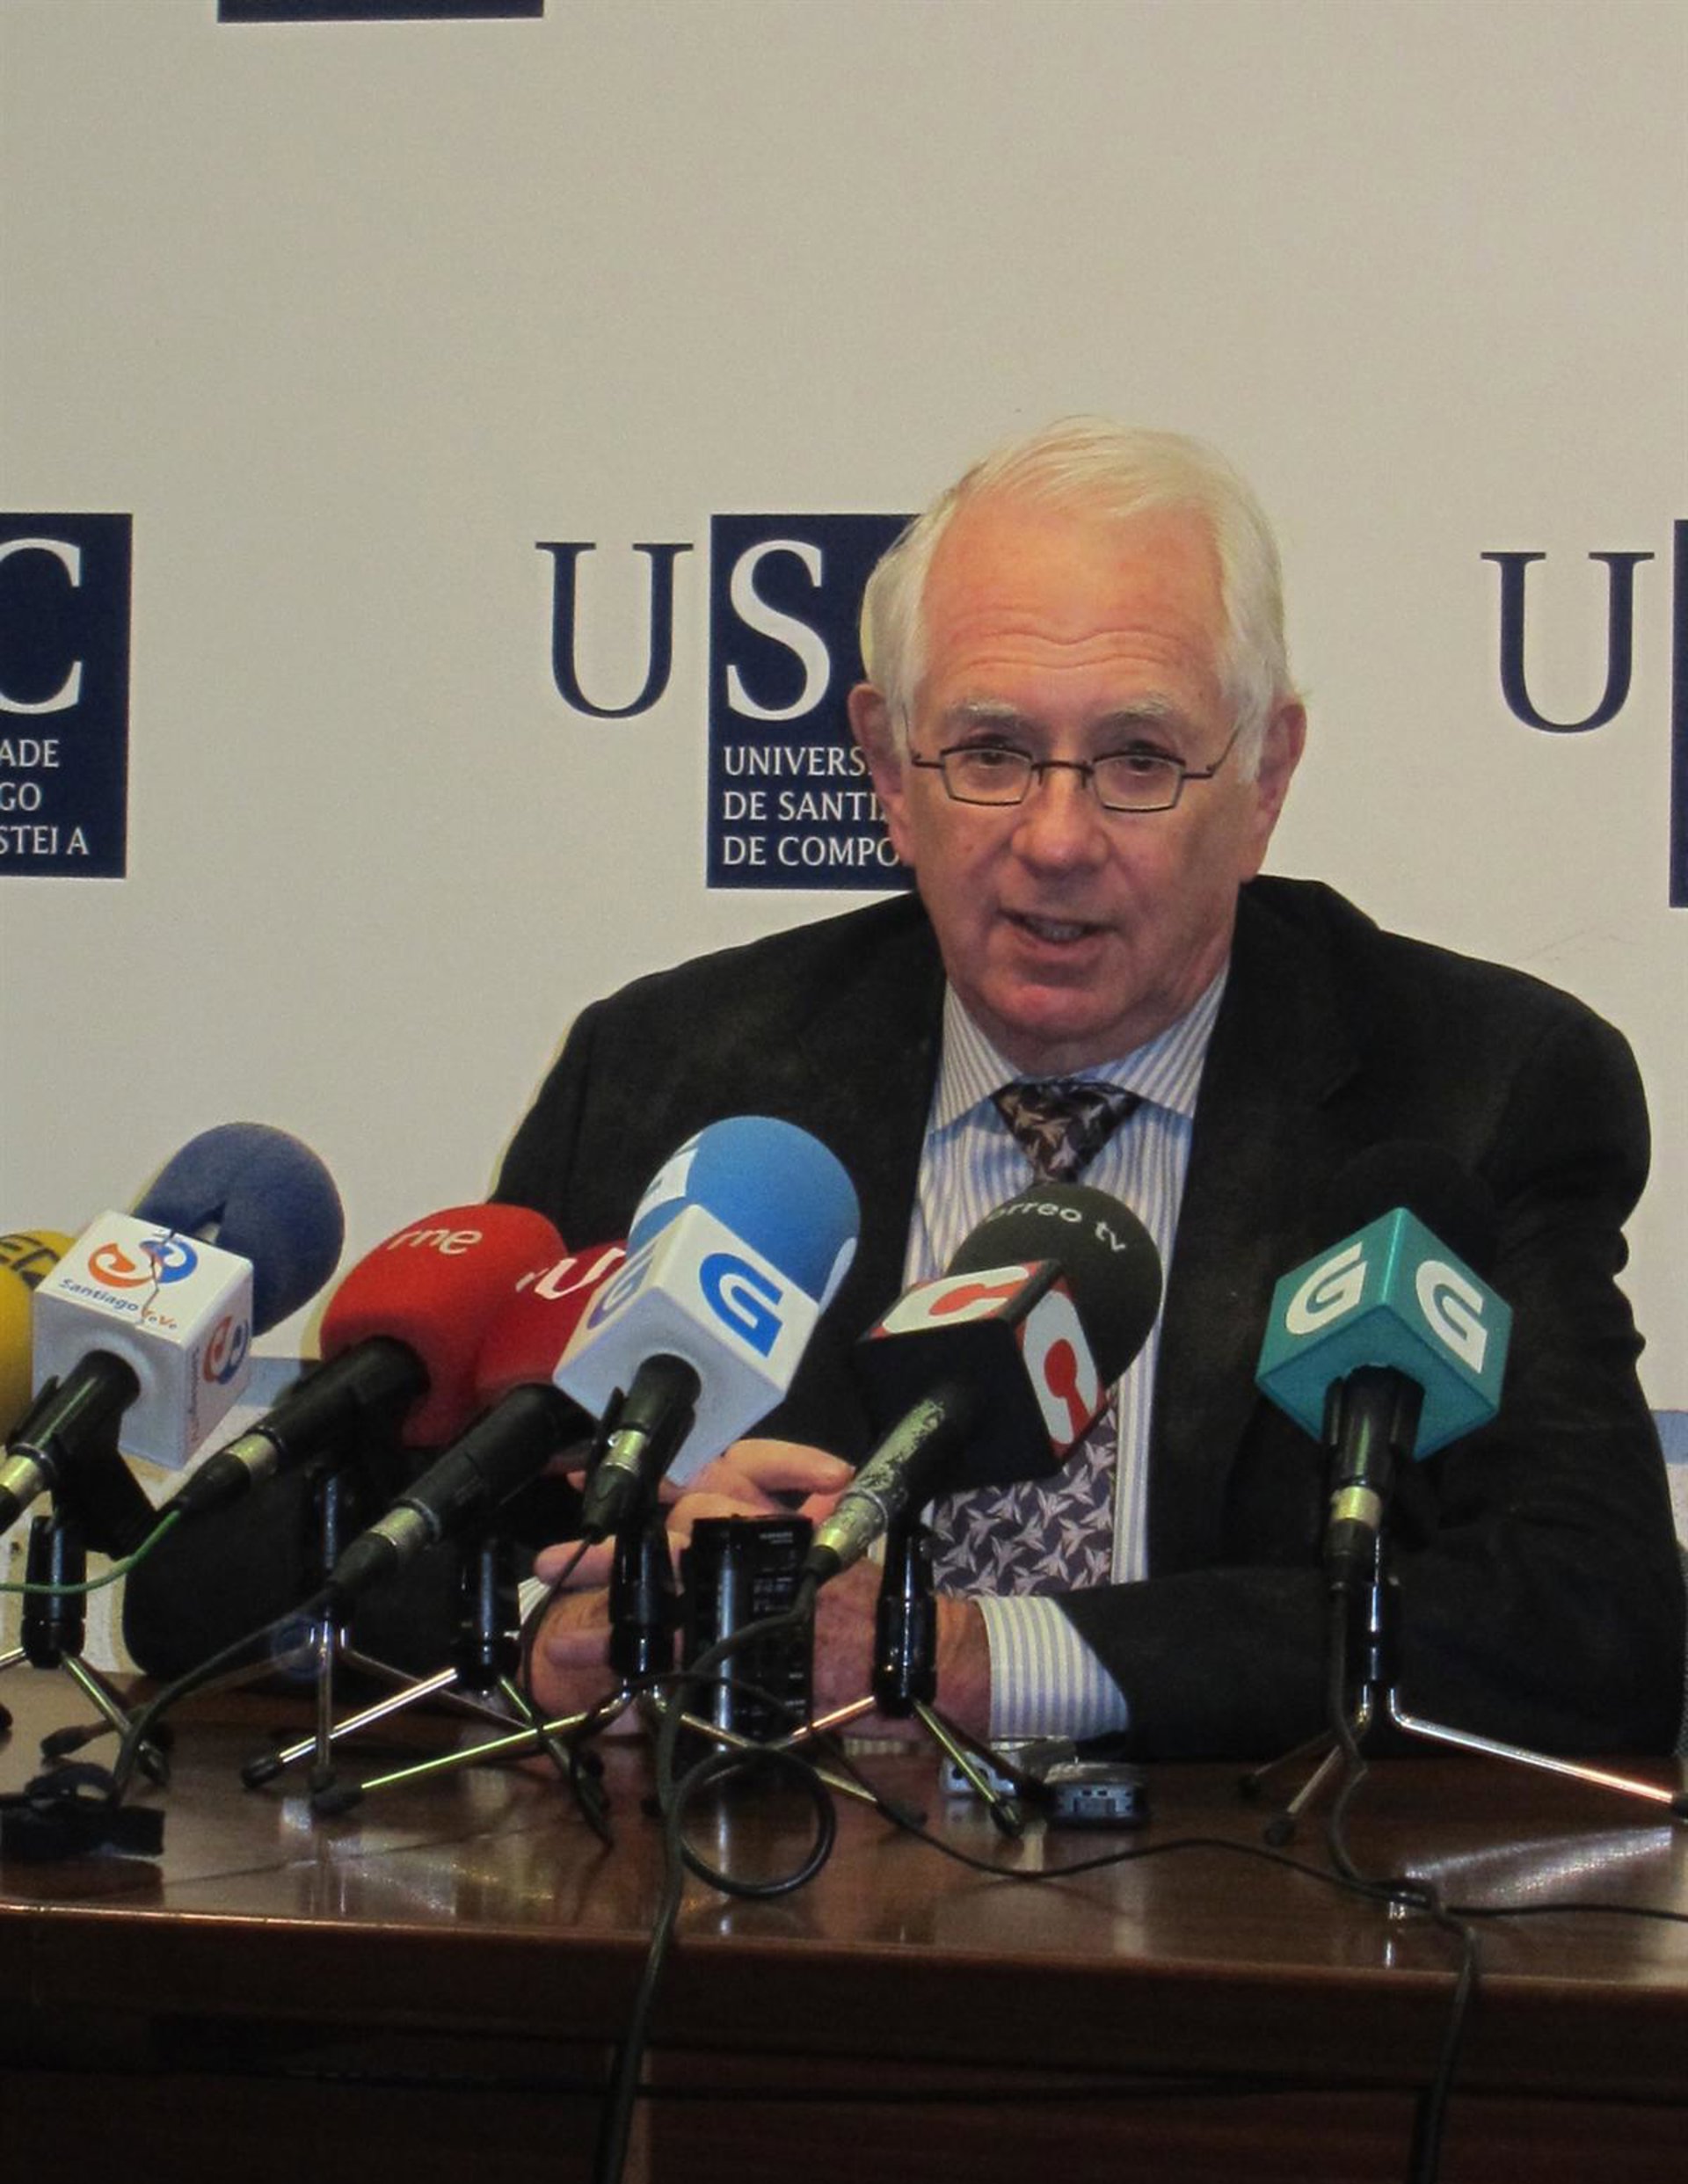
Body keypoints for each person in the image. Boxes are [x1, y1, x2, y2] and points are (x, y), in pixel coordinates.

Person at [497, 418, 1682, 1762]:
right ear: (888, 770)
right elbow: (363, 1557)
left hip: (1231, 1888)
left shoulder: (1472, 1091)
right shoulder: (670, 1078)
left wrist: (979, 1658)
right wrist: (550, 1631)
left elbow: (1596, 1628)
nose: (1055, 840)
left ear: (1266, 778)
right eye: (991, 752)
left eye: (1138, 761)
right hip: (761, 1881)